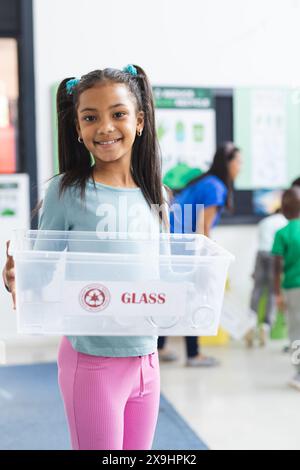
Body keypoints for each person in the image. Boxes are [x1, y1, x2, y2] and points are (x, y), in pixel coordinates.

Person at [2, 65, 168, 450]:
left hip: (146, 359)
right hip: (92, 361)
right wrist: (15, 275)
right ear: (77, 128)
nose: (105, 127)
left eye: (118, 114)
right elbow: (36, 275)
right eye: (90, 117)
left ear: (140, 121)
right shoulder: (66, 191)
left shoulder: (155, 192)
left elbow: (164, 273)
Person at [158, 142, 242, 367]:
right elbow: (203, 228)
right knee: (191, 298)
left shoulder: (205, 182)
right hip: (183, 245)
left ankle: (159, 347)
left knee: (173, 296)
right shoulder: (216, 187)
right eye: (238, 162)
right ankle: (194, 355)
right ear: (228, 164)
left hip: (170, 241)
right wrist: (209, 259)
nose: (240, 167)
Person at [246, 207, 287, 348]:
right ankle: (265, 326)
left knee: (256, 290)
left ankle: (250, 324)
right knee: (271, 291)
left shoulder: (263, 221)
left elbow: (259, 244)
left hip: (260, 255)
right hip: (274, 256)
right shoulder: (285, 222)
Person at [272, 187, 300, 391]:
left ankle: (298, 373)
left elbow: (277, 267)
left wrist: (277, 293)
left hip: (292, 289)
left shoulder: (282, 233)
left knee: (295, 333)